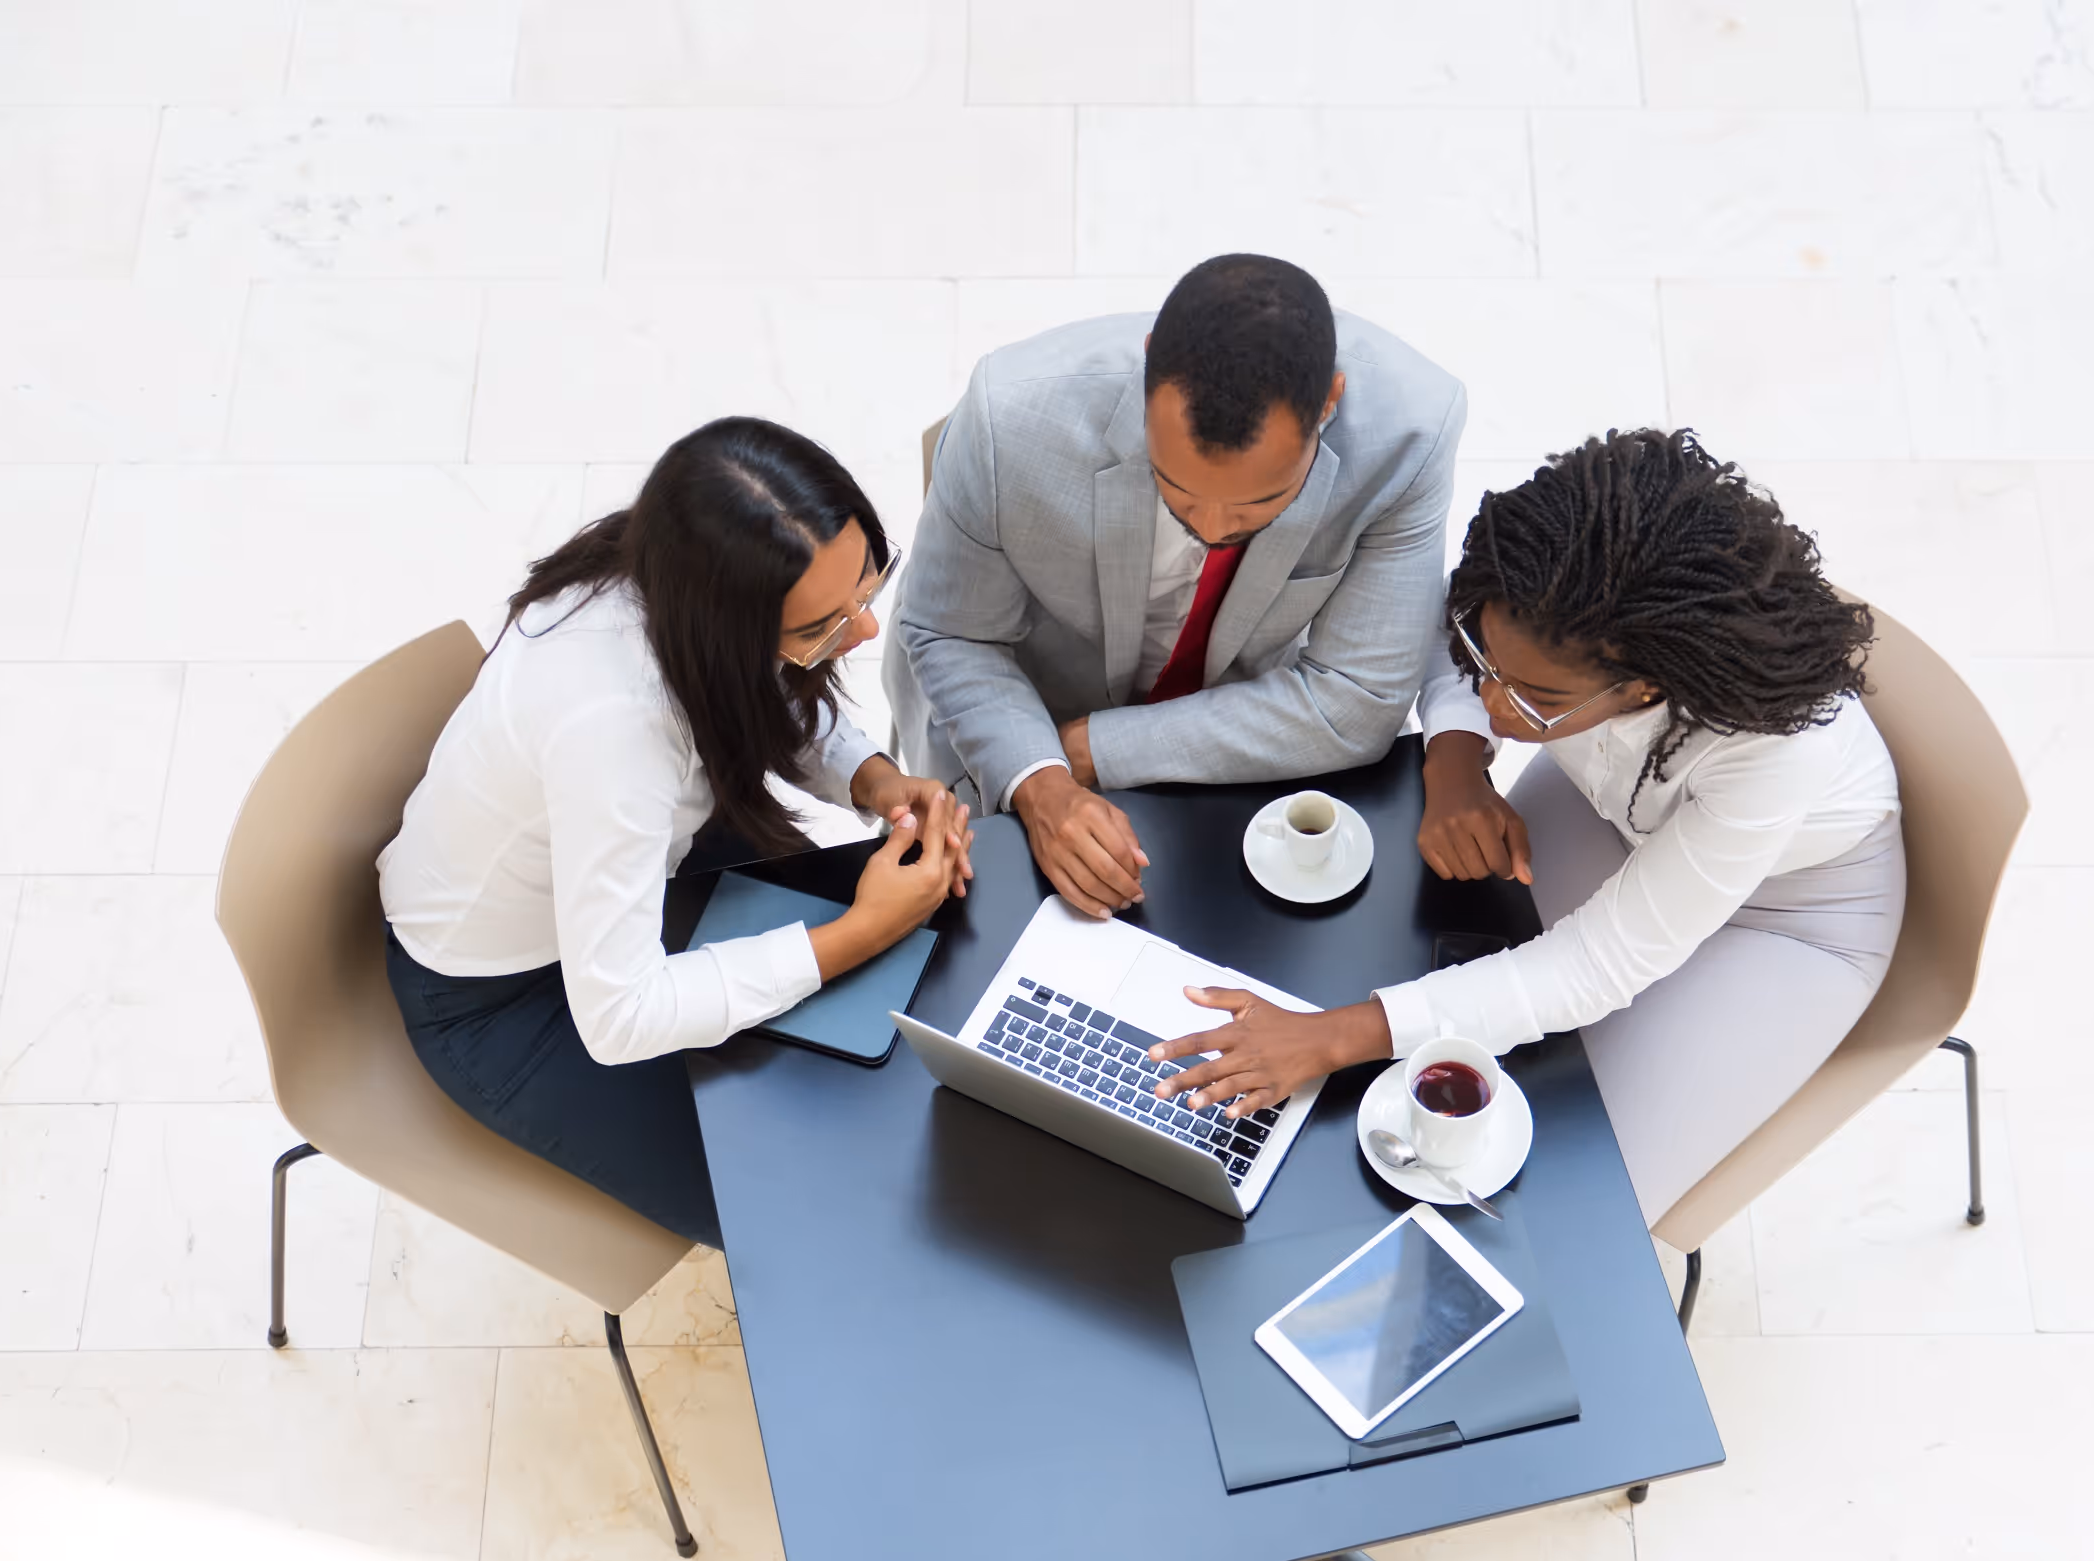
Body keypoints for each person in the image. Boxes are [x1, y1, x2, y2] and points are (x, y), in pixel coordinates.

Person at [1140, 429, 1903, 1227]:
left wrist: (1331, 1038)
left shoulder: (1776, 753)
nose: (1496, 705)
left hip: (1792, 914)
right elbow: (1441, 625)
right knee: (1422, 998)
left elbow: (1596, 967)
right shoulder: (1543, 600)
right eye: (1485, 664)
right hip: (1615, 815)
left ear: (1646, 689)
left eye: (1533, 698)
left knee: (1578, 1205)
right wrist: (1456, 758)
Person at [378, 417, 974, 1248]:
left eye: (865, 591)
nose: (864, 634)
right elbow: (620, 1014)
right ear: (724, 622)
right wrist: (860, 931)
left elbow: (753, 688)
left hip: (642, 873)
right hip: (504, 997)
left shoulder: (669, 567)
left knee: (904, 1031)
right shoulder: (612, 728)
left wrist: (873, 778)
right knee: (810, 1216)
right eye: (822, 627)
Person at [889, 252, 1464, 920]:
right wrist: (1038, 778)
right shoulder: (1008, 416)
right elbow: (952, 631)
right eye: (1179, 491)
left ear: (1330, 403)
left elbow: (1359, 700)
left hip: (1227, 733)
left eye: (1261, 504)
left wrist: (1094, 749)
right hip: (1013, 714)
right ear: (1144, 367)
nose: (1214, 528)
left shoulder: (1413, 434)